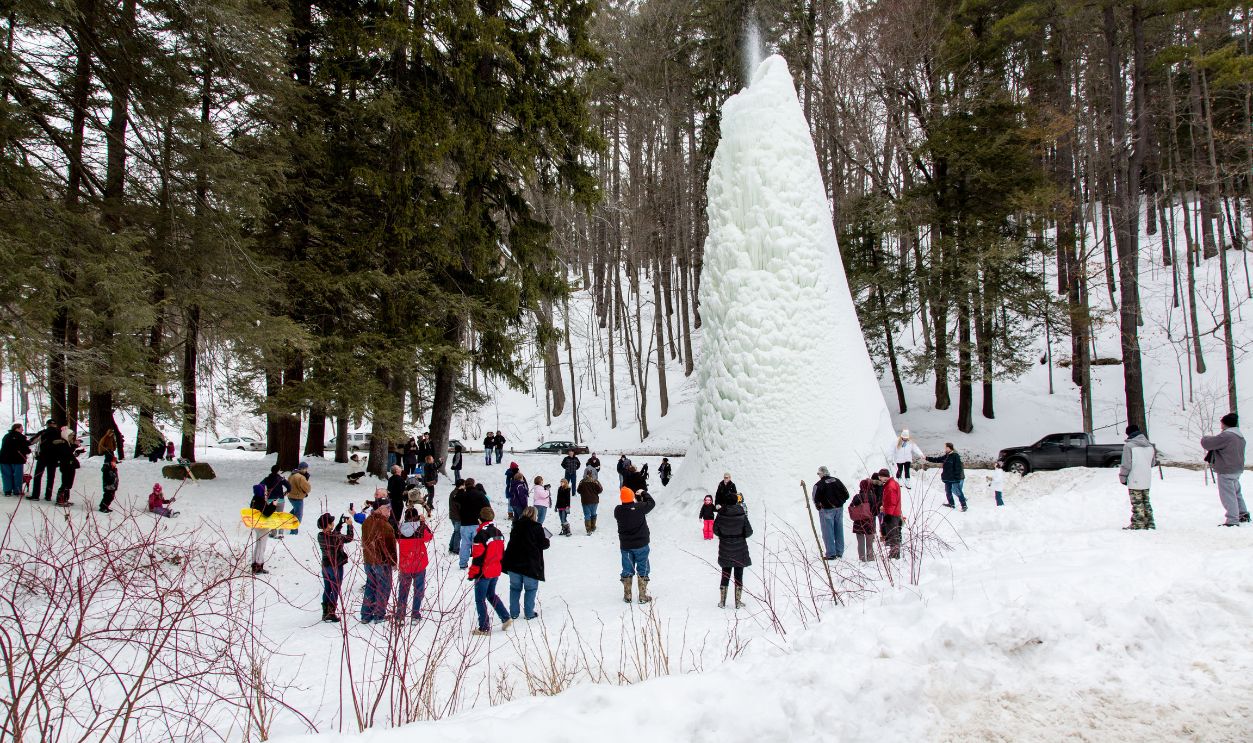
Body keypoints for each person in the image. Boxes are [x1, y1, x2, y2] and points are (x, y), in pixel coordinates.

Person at [469, 506, 511, 635]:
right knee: (491, 594)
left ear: (480, 519)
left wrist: (473, 573)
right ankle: (505, 617)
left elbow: (477, 557)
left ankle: (484, 627)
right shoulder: (498, 532)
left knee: (480, 599)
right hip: (495, 569)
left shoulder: (481, 535)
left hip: (484, 571)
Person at [502, 506, 550, 620]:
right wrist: (547, 539)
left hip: (513, 563)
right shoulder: (537, 527)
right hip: (530, 564)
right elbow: (544, 544)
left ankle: (513, 612)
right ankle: (529, 613)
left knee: (514, 588)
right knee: (531, 589)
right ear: (534, 515)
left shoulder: (516, 526)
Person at [1201, 412, 1248, 527]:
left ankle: (1232, 520)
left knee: (1228, 495)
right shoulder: (1239, 436)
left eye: (1221, 423)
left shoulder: (1227, 436)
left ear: (1225, 424)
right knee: (1236, 493)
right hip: (1236, 469)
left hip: (1226, 469)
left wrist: (1205, 437)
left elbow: (1207, 443)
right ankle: (1243, 514)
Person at [614, 486, 655, 603]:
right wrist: (643, 493)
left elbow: (629, 507)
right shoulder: (640, 508)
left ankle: (627, 596)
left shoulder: (618, 510)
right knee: (643, 568)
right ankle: (642, 596)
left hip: (626, 546)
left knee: (627, 569)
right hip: (641, 544)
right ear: (632, 496)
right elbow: (651, 503)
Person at [713, 494, 753, 608]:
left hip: (725, 548)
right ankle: (738, 602)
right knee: (738, 575)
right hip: (740, 549)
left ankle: (722, 602)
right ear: (736, 501)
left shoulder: (720, 514)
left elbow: (715, 530)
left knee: (725, 574)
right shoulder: (742, 514)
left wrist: (724, 535)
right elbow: (749, 532)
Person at [361, 500, 397, 623]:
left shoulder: (366, 522)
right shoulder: (386, 526)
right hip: (381, 562)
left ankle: (366, 615)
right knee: (383, 588)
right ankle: (379, 615)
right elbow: (391, 547)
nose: (389, 511)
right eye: (387, 508)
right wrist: (393, 562)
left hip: (368, 561)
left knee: (370, 587)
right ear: (380, 509)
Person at [397, 506, 434, 622]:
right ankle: (415, 614)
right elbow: (429, 537)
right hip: (419, 563)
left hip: (405, 564)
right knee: (418, 590)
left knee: (403, 590)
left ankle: (400, 614)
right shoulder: (421, 528)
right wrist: (423, 523)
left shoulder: (399, 529)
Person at [317, 511, 354, 622]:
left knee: (327, 588)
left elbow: (334, 535)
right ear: (328, 525)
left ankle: (325, 612)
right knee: (336, 588)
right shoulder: (336, 537)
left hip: (325, 565)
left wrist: (339, 524)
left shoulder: (320, 536)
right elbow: (349, 538)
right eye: (331, 522)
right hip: (336, 566)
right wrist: (349, 525)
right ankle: (331, 612)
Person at [1118, 425, 1157, 530]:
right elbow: (1152, 463)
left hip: (1134, 477)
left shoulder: (1129, 446)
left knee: (1137, 502)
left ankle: (1138, 524)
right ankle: (1150, 523)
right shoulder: (1150, 446)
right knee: (1146, 501)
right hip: (1146, 478)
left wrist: (1123, 477)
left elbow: (1126, 464)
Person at [811, 466, 849, 560]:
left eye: (818, 473)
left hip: (826, 510)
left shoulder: (819, 485)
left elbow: (815, 498)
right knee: (839, 530)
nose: (818, 475)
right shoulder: (837, 481)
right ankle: (839, 552)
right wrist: (840, 502)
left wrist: (819, 506)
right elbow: (846, 494)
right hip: (839, 509)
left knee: (828, 532)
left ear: (821, 473)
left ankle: (831, 554)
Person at [456, 479, 491, 569]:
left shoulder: (463, 495)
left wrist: (460, 490)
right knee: (478, 544)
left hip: (465, 523)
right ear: (474, 484)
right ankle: (478, 563)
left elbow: (455, 498)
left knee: (465, 544)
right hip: (477, 523)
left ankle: (463, 563)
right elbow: (488, 506)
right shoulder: (479, 494)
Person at [926, 443, 967, 511]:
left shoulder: (955, 456)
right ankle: (951, 504)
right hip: (947, 478)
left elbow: (958, 467)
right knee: (948, 491)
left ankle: (964, 505)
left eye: (945, 447)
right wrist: (927, 458)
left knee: (958, 492)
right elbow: (938, 459)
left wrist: (957, 477)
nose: (945, 449)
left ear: (949, 448)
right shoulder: (947, 456)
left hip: (954, 478)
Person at [28, 419, 60, 501]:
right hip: (54, 457)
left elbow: (32, 441)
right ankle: (48, 496)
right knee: (51, 477)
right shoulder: (59, 433)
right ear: (55, 425)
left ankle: (35, 495)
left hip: (43, 456)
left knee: (38, 476)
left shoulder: (43, 432)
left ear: (47, 425)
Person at [876, 469, 902, 559]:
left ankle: (895, 554)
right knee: (894, 533)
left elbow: (892, 502)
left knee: (893, 534)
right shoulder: (893, 483)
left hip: (892, 514)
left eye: (880, 477)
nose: (879, 479)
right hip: (895, 512)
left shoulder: (890, 486)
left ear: (883, 476)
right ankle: (894, 552)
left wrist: (888, 514)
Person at [52, 428, 81, 507]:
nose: (72, 437)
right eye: (70, 435)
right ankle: (60, 499)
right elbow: (66, 453)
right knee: (65, 482)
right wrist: (74, 446)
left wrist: (75, 450)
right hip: (66, 465)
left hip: (69, 465)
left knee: (69, 483)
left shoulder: (67, 443)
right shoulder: (62, 444)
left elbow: (69, 453)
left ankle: (65, 499)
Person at [849, 479, 876, 562]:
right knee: (869, 542)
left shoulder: (857, 496)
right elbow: (875, 510)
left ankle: (862, 558)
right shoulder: (873, 496)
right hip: (869, 522)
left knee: (860, 542)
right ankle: (870, 557)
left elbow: (851, 507)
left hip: (858, 522)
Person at [1, 424, 32, 497]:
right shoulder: (21, 437)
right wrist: (29, 451)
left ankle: (7, 491)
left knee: (6, 475)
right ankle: (17, 491)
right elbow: (24, 447)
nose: (22, 430)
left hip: (4, 459)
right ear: (16, 429)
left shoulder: (6, 436)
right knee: (18, 475)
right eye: (21, 428)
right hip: (17, 459)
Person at [287, 462, 311, 536]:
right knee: (298, 514)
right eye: (306, 469)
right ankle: (294, 530)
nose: (306, 470)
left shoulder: (292, 474)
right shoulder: (301, 477)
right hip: (297, 497)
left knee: (295, 510)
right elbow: (307, 488)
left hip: (291, 496)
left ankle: (286, 520)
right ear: (303, 468)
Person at [577, 470, 602, 535]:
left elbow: (578, 490)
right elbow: (600, 490)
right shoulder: (595, 481)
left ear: (586, 474)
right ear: (592, 474)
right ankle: (593, 527)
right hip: (594, 500)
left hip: (585, 501)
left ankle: (588, 529)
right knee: (593, 513)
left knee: (587, 515)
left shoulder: (582, 481)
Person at [448, 480, 464, 554]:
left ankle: (451, 547)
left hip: (453, 515)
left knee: (456, 531)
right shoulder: (458, 494)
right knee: (458, 533)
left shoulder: (453, 492)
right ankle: (456, 549)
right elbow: (459, 506)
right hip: (457, 516)